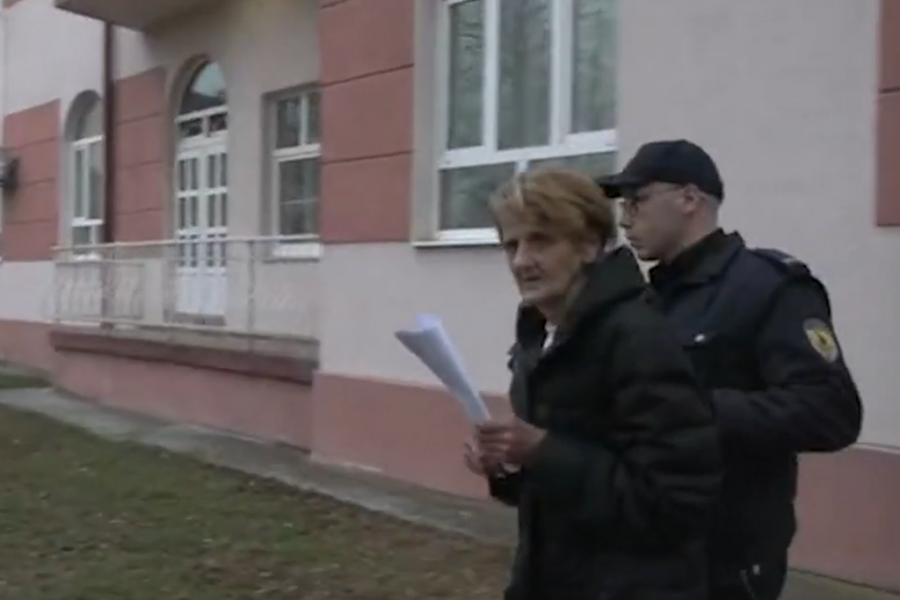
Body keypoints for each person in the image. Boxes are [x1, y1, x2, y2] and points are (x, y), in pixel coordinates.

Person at [596, 139, 863, 600]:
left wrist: (692, 410)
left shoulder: (767, 288)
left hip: (726, 561)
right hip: (648, 548)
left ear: (689, 199)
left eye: (637, 201)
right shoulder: (645, 298)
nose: (624, 220)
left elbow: (830, 410)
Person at [464, 168, 722, 600]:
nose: (522, 261)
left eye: (541, 241)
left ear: (588, 245)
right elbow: (555, 488)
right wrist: (506, 465)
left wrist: (543, 451)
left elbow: (677, 503)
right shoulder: (541, 332)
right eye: (512, 245)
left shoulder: (637, 337)